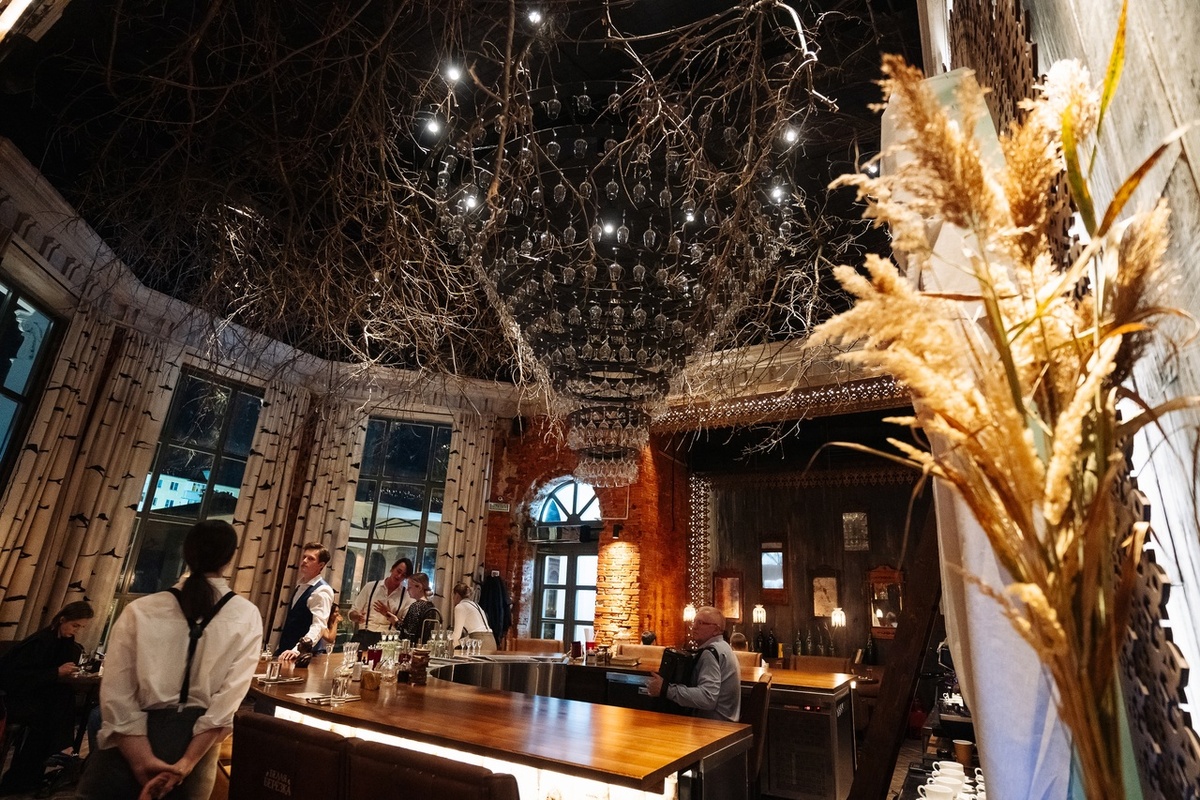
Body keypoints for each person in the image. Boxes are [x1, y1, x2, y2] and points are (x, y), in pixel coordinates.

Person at [77, 519, 262, 800]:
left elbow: (116, 691)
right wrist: (185, 763)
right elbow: (228, 699)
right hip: (195, 751)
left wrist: (140, 758)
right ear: (229, 558)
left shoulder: (141, 609)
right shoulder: (246, 614)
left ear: (186, 553)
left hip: (126, 748)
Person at [0, 600, 94, 794]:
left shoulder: (63, 641)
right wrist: (56, 672)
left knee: (58, 702)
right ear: (62, 619)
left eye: (81, 628)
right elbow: (14, 678)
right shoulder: (39, 642)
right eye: (75, 625)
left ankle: (27, 776)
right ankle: (64, 750)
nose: (76, 631)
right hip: (12, 699)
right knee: (55, 709)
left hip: (36, 697)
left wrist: (65, 657)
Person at [646, 606, 740, 722]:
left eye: (701, 623)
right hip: (726, 723)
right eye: (694, 622)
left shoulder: (710, 653)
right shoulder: (725, 647)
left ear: (716, 630)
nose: (694, 627)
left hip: (712, 726)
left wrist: (665, 689)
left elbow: (708, 698)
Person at [276, 542, 334, 660]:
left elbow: (319, 625)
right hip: (287, 650)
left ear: (321, 565)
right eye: (304, 557)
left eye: (310, 559)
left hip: (304, 655)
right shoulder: (300, 585)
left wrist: (297, 650)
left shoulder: (322, 590)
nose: (304, 561)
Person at [347, 557, 412, 647]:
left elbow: (405, 625)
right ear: (392, 569)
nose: (399, 576)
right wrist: (357, 616)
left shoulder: (406, 595)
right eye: (398, 571)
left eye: (403, 575)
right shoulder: (370, 587)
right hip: (365, 634)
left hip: (389, 639)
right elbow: (352, 612)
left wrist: (388, 614)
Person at [449, 582, 496, 654]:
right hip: (491, 641)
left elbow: (457, 635)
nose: (453, 599)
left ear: (457, 595)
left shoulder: (460, 607)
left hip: (479, 644)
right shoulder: (476, 605)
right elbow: (476, 631)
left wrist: (446, 646)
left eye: (453, 595)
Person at [395, 573, 440, 644]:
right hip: (425, 646)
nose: (407, 589)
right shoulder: (431, 605)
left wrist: (395, 622)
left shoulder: (416, 606)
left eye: (410, 587)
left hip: (414, 647)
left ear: (419, 587)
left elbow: (409, 635)